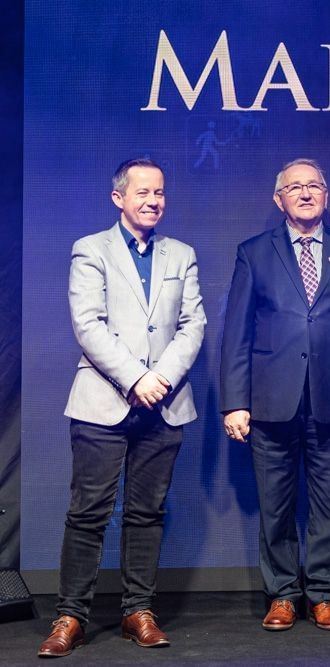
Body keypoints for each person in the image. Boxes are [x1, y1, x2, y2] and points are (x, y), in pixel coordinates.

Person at [38, 158, 206, 657]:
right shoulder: (91, 249)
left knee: (147, 512)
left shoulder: (182, 254)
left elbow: (193, 324)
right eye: (143, 192)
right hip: (103, 403)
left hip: (165, 404)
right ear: (119, 198)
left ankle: (138, 610)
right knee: (88, 513)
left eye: (160, 192)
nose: (153, 201)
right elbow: (87, 323)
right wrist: (136, 378)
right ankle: (71, 616)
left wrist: (161, 379)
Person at [219, 158, 330, 632]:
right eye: (295, 187)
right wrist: (235, 402)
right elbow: (236, 332)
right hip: (270, 399)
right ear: (279, 200)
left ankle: (324, 594)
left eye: (314, 186)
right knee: (274, 505)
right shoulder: (254, 252)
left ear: (326, 196)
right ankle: (282, 595)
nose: (306, 193)